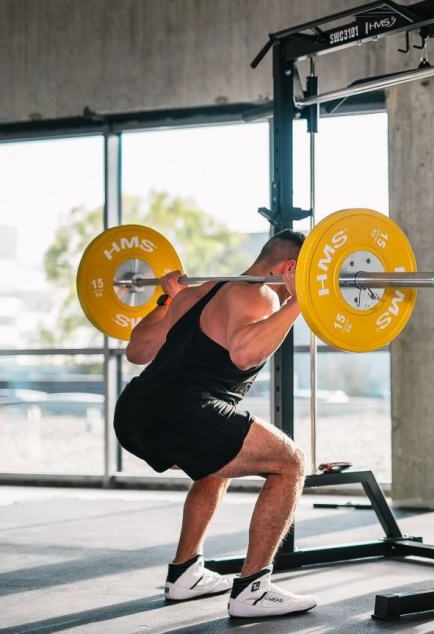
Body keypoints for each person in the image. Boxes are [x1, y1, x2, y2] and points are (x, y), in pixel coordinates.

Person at [114, 229, 317, 618]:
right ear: (290, 269)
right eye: (308, 275)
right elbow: (243, 353)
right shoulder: (259, 295)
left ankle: (185, 572)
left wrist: (166, 300)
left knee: (215, 463)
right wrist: (299, 302)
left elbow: (137, 351)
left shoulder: (195, 293)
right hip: (183, 411)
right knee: (290, 463)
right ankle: (253, 590)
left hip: (135, 412)